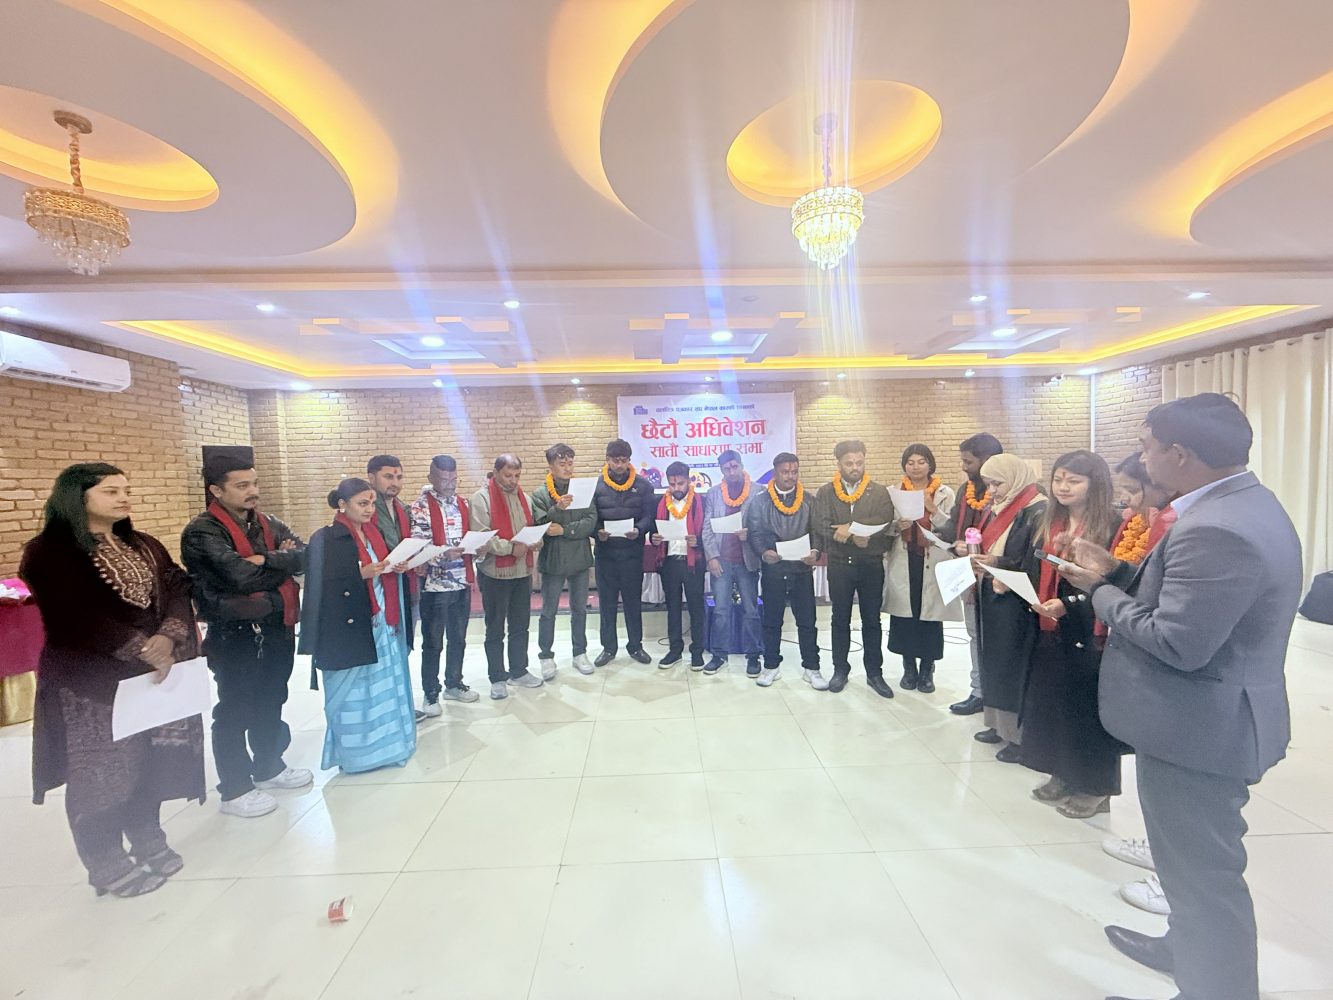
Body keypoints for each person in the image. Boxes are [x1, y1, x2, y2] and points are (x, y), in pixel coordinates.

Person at [1059, 393, 1302, 1000]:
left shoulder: (1217, 528)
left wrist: (1100, 593)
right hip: (1200, 720)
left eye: (1146, 448)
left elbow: (1177, 641)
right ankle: (1182, 948)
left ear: (1179, 453)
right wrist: (1118, 573)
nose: (1141, 460)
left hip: (1201, 729)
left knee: (1203, 878)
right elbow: (1186, 604)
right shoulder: (1242, 503)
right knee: (1185, 866)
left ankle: (1213, 986)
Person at [21, 463, 205, 898]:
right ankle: (104, 861)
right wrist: (142, 647)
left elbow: (178, 587)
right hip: (91, 683)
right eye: (110, 491)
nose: (123, 498)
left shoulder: (143, 544)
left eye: (126, 490)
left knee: (151, 759)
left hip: (152, 677)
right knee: (102, 772)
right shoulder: (49, 552)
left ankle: (147, 837)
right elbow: (71, 616)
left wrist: (169, 636)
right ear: (77, 497)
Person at [181, 455, 311, 819]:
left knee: (272, 697)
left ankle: (269, 765)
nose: (252, 491)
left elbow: (306, 556)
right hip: (234, 631)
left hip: (276, 625)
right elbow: (238, 577)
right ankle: (235, 787)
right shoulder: (203, 531)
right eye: (242, 486)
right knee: (236, 707)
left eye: (254, 483)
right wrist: (279, 561)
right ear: (217, 490)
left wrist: (262, 560)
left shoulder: (268, 522)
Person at [1018, 450, 1123, 818]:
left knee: (1088, 709)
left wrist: (1068, 604)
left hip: (1090, 628)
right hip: (1051, 624)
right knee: (1056, 703)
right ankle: (1063, 771)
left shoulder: (1113, 525)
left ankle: (1095, 787)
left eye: (1074, 480)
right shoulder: (1050, 520)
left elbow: (1114, 581)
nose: (1063, 487)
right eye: (1058, 479)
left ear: (1095, 485)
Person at [300, 478, 417, 773]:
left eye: (372, 504)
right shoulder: (326, 539)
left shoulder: (374, 533)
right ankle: (357, 756)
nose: (369, 510)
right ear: (342, 504)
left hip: (382, 624)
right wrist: (360, 575)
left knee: (383, 688)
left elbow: (381, 568)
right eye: (362, 504)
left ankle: (389, 748)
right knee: (354, 694)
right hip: (349, 628)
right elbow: (318, 587)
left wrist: (396, 567)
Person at [962, 453, 1046, 760]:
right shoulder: (1002, 507)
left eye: (997, 483)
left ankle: (1018, 736)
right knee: (994, 661)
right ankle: (998, 725)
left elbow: (1034, 558)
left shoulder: (1037, 509)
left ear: (1014, 478)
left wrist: (998, 562)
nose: (992, 491)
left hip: (1016, 600)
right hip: (992, 591)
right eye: (988, 484)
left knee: (1012, 664)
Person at [812, 440, 895, 698]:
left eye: (859, 462)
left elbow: (885, 520)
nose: (855, 467)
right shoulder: (826, 492)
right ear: (839, 464)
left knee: (872, 620)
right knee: (840, 618)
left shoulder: (878, 491)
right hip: (840, 565)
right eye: (849, 463)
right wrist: (850, 536)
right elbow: (820, 524)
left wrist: (854, 530)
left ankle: (874, 673)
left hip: (870, 564)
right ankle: (840, 670)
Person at [744, 452, 826, 689]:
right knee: (772, 621)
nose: (790, 476)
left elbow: (817, 531)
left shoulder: (809, 500)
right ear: (775, 473)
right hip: (774, 568)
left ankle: (812, 668)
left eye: (794, 472)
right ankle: (771, 666)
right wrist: (763, 552)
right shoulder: (760, 501)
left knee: (807, 621)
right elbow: (755, 532)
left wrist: (815, 552)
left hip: (801, 569)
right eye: (785, 472)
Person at [884, 444, 957, 694]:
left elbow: (953, 528)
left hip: (932, 560)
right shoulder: (893, 492)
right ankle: (908, 668)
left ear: (930, 464)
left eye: (921, 462)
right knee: (905, 617)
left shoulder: (945, 492)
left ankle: (927, 670)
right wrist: (897, 525)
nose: (915, 467)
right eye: (910, 462)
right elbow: (885, 527)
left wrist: (933, 509)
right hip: (904, 559)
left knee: (929, 617)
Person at [940, 432, 1004, 715]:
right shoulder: (965, 491)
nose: (964, 467)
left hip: (998, 577)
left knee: (996, 638)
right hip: (969, 573)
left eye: (968, 462)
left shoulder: (1007, 495)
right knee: (975, 635)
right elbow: (954, 524)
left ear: (988, 460)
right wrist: (945, 539)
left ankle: (998, 696)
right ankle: (979, 692)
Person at [408, 455, 477, 714]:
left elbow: (469, 535)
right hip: (434, 585)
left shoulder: (463, 503)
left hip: (461, 581)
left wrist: (478, 548)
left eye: (453, 479)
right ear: (431, 478)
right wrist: (442, 554)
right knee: (433, 641)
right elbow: (419, 545)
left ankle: (454, 683)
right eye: (444, 479)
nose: (449, 484)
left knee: (458, 638)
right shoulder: (420, 507)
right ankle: (430, 693)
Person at [471, 454, 543, 698]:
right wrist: (511, 548)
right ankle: (497, 677)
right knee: (495, 628)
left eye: (517, 475)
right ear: (495, 473)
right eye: (508, 475)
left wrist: (536, 540)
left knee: (520, 625)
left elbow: (530, 529)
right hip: (495, 573)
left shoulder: (526, 498)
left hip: (522, 571)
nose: (513, 480)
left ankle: (519, 671)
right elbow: (483, 536)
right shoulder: (481, 499)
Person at [531, 443, 597, 675]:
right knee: (548, 611)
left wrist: (565, 530)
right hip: (553, 560)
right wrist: (557, 509)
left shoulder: (583, 489)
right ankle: (546, 656)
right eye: (562, 463)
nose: (568, 468)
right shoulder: (540, 494)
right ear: (551, 466)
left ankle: (580, 653)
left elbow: (590, 520)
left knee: (579, 609)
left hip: (579, 557)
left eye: (570, 463)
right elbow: (541, 525)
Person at [591, 439, 656, 666]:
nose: (620, 465)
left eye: (624, 460)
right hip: (605, 554)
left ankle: (635, 646)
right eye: (615, 460)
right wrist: (596, 532)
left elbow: (649, 516)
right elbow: (591, 517)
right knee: (607, 603)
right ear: (607, 460)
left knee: (632, 602)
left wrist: (639, 529)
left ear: (629, 460)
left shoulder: (643, 485)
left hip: (632, 554)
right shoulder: (596, 485)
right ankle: (608, 648)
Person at [700, 449, 762, 676]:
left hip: (747, 560)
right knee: (721, 611)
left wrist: (750, 533)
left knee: (751, 610)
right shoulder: (714, 493)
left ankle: (753, 656)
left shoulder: (758, 491)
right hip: (722, 561)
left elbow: (764, 525)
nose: (732, 472)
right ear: (721, 471)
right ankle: (719, 655)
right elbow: (707, 528)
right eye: (727, 469)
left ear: (742, 465)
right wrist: (711, 557)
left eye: (735, 467)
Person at [650, 461, 707, 668]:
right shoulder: (660, 503)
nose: (676, 488)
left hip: (693, 563)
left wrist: (698, 541)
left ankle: (697, 651)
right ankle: (675, 650)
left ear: (688, 481)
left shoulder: (701, 502)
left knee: (696, 608)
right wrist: (654, 538)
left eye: (680, 483)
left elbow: (709, 532)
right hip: (670, 562)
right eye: (672, 484)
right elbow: (653, 530)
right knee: (672, 608)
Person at [367, 454, 418, 647]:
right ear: (371, 478)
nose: (395, 483)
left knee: (403, 642)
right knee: (381, 645)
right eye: (388, 477)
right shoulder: (365, 510)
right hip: (376, 586)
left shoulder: (403, 509)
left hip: (404, 580)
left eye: (399, 477)